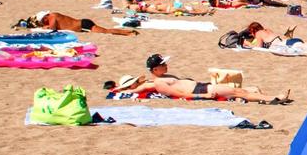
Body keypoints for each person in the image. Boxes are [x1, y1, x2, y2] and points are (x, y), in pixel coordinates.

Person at [105, 55, 292, 103]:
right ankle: (274, 98)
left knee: (250, 88)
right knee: (238, 91)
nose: (166, 66)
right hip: (201, 91)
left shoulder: (161, 78)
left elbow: (138, 88)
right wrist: (202, 97)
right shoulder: (160, 83)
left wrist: (123, 89)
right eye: (163, 65)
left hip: (203, 86)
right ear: (155, 69)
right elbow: (179, 94)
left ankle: (265, 96)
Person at [239, 21, 307, 56]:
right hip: (290, 41)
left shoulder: (258, 34)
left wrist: (248, 44)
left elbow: (260, 48)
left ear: (253, 30)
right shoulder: (267, 30)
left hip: (288, 45)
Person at [31, 11, 139, 35]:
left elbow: (52, 29)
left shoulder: (52, 17)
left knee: (105, 31)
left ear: (45, 18)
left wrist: (44, 27)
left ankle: (129, 33)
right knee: (105, 31)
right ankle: (128, 32)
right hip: (82, 23)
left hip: (83, 25)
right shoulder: (54, 14)